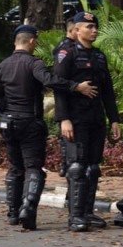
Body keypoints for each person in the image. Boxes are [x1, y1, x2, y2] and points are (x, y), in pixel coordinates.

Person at [0, 25, 97, 230]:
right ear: (31, 42)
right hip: (29, 122)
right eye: (35, 41)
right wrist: (76, 86)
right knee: (34, 169)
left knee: (15, 168)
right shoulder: (34, 64)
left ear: (15, 42)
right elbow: (50, 80)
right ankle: (27, 209)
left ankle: (12, 212)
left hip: (7, 123)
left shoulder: (3, 65)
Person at [54, 11, 121, 232]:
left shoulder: (99, 56)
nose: (93, 31)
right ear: (77, 29)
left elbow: (107, 90)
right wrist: (64, 119)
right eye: (88, 27)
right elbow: (58, 86)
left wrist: (114, 119)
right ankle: (75, 216)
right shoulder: (68, 53)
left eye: (95, 27)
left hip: (95, 118)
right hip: (76, 118)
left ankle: (88, 212)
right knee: (76, 167)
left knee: (93, 168)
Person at [53, 17, 78, 178]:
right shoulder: (65, 49)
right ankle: (66, 166)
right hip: (69, 102)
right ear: (71, 31)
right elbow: (59, 82)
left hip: (79, 105)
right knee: (69, 143)